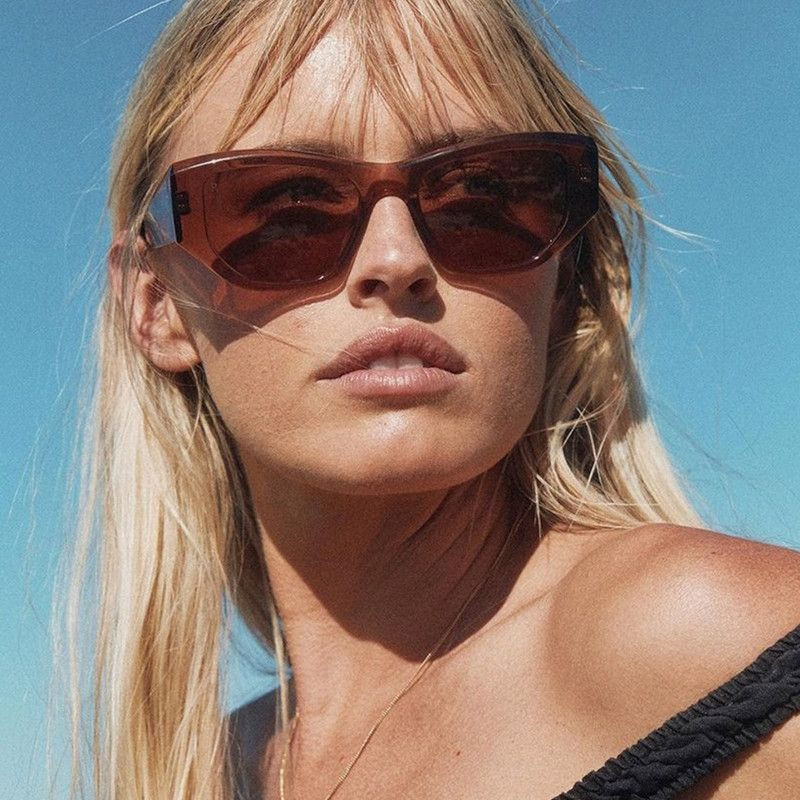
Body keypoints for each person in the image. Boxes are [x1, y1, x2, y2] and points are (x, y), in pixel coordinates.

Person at [64, 1, 800, 798]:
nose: (397, 259)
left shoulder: (717, 641)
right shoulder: (211, 769)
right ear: (159, 306)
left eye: (483, 198)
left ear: (565, 281)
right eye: (287, 208)